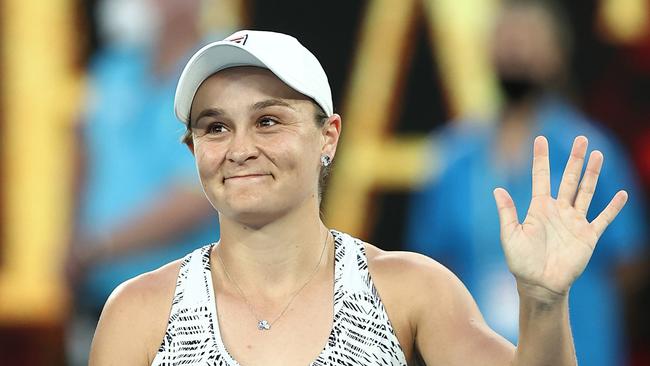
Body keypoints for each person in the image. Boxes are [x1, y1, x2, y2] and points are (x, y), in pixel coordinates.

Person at [88, 29, 628, 366]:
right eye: (215, 128)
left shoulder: (410, 290)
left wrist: (542, 298)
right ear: (193, 147)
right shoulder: (139, 313)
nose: (241, 149)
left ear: (329, 136)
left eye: (269, 120)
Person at [406, 1, 647, 365]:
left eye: (529, 39)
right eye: (506, 38)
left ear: (558, 53)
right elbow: (431, 261)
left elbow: (628, 263)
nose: (516, 51)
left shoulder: (592, 152)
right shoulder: (453, 156)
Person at [66, 0, 219, 363]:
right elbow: (82, 160)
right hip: (98, 296)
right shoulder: (111, 70)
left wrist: (96, 247)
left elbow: (200, 194)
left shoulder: (223, 74)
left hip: (186, 307)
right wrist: (69, 242)